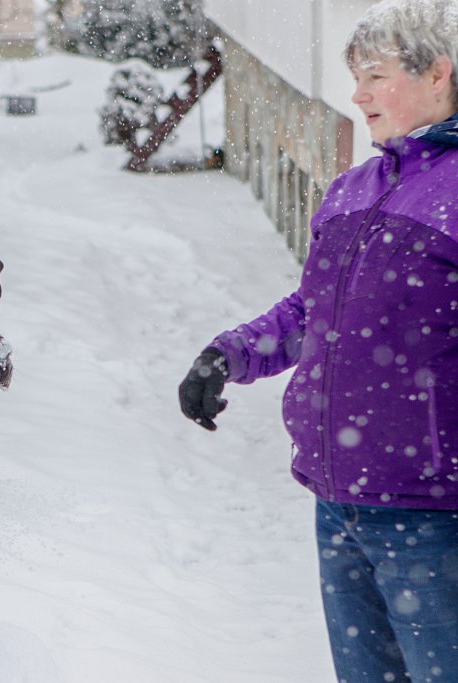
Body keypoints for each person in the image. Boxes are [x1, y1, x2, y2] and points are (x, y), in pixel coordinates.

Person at [178, 1, 458, 681]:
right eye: (353, 77)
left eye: (374, 76)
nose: (356, 95)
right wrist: (231, 353)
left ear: (439, 73)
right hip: (339, 502)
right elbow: (314, 311)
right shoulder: (353, 190)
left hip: (431, 514)